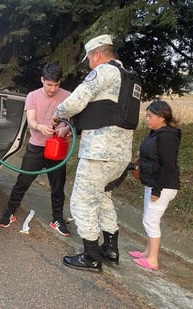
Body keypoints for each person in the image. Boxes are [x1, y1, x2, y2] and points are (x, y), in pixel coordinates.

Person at [56, 34, 134, 272]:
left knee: (82, 202)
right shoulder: (130, 77)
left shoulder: (103, 72)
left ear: (96, 55)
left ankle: (90, 257)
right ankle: (110, 249)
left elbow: (75, 101)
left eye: (89, 58)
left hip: (99, 153)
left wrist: (59, 113)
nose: (89, 63)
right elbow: (106, 112)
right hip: (120, 155)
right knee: (103, 198)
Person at [0, 63, 71, 236]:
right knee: (23, 181)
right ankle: (10, 211)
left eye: (56, 85)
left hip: (57, 148)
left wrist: (65, 129)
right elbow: (30, 121)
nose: (53, 89)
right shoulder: (33, 96)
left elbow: (70, 121)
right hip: (36, 147)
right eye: (49, 85)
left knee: (58, 186)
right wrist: (39, 126)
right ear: (42, 80)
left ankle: (57, 219)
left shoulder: (68, 96)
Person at [129, 100, 180, 270]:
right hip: (152, 182)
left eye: (150, 116)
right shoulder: (156, 133)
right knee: (148, 218)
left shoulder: (167, 136)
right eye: (147, 116)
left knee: (151, 221)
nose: (147, 119)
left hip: (163, 185)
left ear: (162, 117)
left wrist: (157, 190)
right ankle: (147, 252)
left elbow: (168, 165)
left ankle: (153, 260)